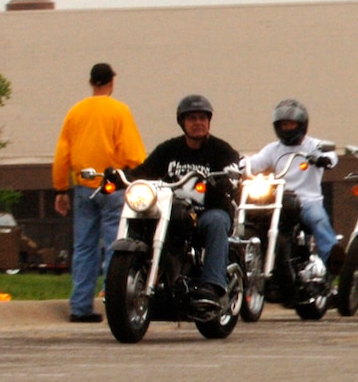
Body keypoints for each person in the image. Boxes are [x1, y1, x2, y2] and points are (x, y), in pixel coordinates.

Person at [127, 94, 240, 318]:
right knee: (142, 220)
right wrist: (120, 176)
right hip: (172, 214)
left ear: (209, 121)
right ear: (182, 122)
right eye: (192, 118)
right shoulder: (168, 150)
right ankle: (133, 276)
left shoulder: (221, 150)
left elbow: (234, 172)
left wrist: (228, 179)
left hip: (207, 212)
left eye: (202, 118)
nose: (198, 122)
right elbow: (143, 172)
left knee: (217, 221)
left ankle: (212, 286)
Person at [52, 62, 146, 323]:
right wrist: (140, 176)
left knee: (83, 247)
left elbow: (62, 155)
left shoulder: (75, 113)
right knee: (116, 246)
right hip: (112, 187)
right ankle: (115, 300)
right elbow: (132, 153)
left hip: (83, 187)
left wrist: (60, 189)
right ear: (111, 82)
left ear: (91, 82)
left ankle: (80, 307)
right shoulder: (119, 111)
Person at [246, 99, 339, 268]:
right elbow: (254, 163)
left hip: (307, 201)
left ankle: (334, 264)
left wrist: (323, 159)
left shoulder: (313, 145)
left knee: (318, 220)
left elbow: (332, 156)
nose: (287, 128)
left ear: (302, 124)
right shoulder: (272, 149)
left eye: (291, 124)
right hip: (279, 201)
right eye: (284, 125)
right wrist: (237, 164)